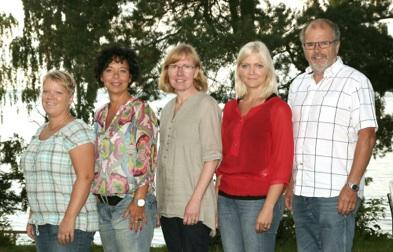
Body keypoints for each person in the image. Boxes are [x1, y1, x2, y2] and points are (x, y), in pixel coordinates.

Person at [285, 18, 378, 252]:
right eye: (310, 44)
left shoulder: (356, 82)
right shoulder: (297, 86)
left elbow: (367, 136)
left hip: (336, 195)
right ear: (303, 48)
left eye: (323, 43)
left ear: (337, 45)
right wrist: (290, 183)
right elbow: (293, 140)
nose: (317, 51)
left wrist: (352, 186)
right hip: (302, 193)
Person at [216, 41, 294, 252]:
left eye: (258, 65)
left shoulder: (278, 109)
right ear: (238, 69)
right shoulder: (231, 108)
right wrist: (215, 202)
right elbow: (222, 161)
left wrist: (269, 207)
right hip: (226, 199)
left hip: (259, 200)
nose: (251, 71)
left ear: (268, 70)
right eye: (245, 65)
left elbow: (283, 163)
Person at [21, 70, 98, 252]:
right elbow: (37, 178)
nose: (50, 97)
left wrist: (69, 218)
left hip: (69, 225)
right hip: (43, 224)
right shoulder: (40, 132)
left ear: (70, 98)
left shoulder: (77, 130)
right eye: (46, 91)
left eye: (58, 92)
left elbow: (86, 177)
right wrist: (33, 216)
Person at [91, 45, 158, 252]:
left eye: (122, 70)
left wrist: (139, 202)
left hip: (130, 203)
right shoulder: (100, 115)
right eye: (109, 70)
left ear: (130, 76)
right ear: (102, 76)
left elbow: (147, 158)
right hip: (104, 206)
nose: (116, 76)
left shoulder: (141, 110)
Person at [156, 43, 222, 252]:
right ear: (167, 72)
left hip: (194, 206)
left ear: (196, 71)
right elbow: (163, 161)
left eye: (186, 66)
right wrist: (160, 205)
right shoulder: (166, 109)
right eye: (174, 66)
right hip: (169, 206)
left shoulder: (206, 105)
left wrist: (195, 201)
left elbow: (212, 158)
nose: (180, 72)